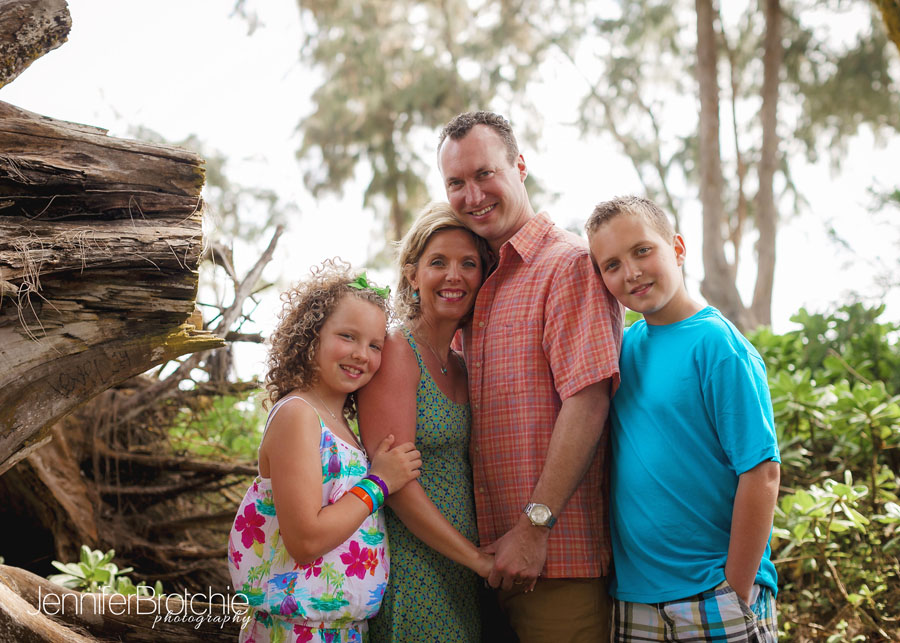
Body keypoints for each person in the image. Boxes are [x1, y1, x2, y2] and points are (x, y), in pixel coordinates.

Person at [437, 111, 623, 641]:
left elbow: (587, 402)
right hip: (483, 565)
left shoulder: (567, 264)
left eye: (484, 174)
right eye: (456, 183)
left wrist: (534, 527)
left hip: (556, 561)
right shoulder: (471, 283)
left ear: (520, 166)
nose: (472, 195)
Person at [584, 195, 781, 642]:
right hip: (636, 597)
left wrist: (736, 586)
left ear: (677, 248)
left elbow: (762, 471)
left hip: (715, 592)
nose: (631, 272)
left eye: (642, 251)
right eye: (611, 264)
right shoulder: (623, 348)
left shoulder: (716, 343)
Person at [227, 259, 422, 643]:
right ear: (311, 335)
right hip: (297, 632)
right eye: (347, 336)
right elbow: (306, 540)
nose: (362, 354)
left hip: (344, 632)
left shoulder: (342, 426)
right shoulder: (298, 416)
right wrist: (379, 482)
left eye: (375, 345)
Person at [357, 203, 494, 642]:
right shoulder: (399, 350)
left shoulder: (460, 361)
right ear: (413, 274)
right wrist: (476, 559)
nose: (454, 276)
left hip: (462, 567)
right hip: (415, 564)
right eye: (439, 262)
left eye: (468, 264)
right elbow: (395, 486)